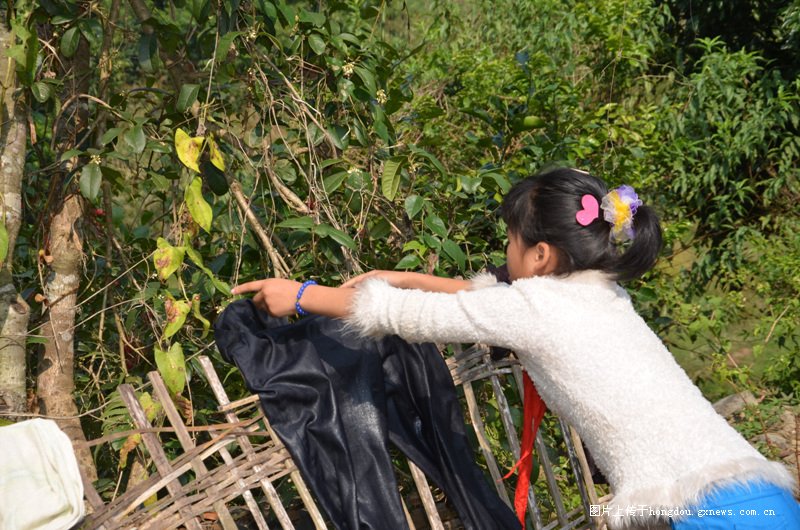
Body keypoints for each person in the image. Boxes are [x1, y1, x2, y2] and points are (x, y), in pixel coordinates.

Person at [231, 167, 800, 529]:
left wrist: (302, 295)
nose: (505, 252)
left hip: (705, 514)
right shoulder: (599, 293)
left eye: (510, 240)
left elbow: (408, 318)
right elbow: (483, 298)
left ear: (543, 256)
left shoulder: (540, 309)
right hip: (758, 496)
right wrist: (400, 274)